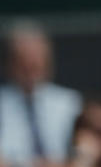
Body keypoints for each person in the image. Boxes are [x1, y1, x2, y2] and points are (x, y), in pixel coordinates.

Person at [0, 21, 82, 167]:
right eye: (23, 61)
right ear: (9, 63)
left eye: (36, 62)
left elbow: (82, 150)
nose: (30, 68)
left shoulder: (70, 102)